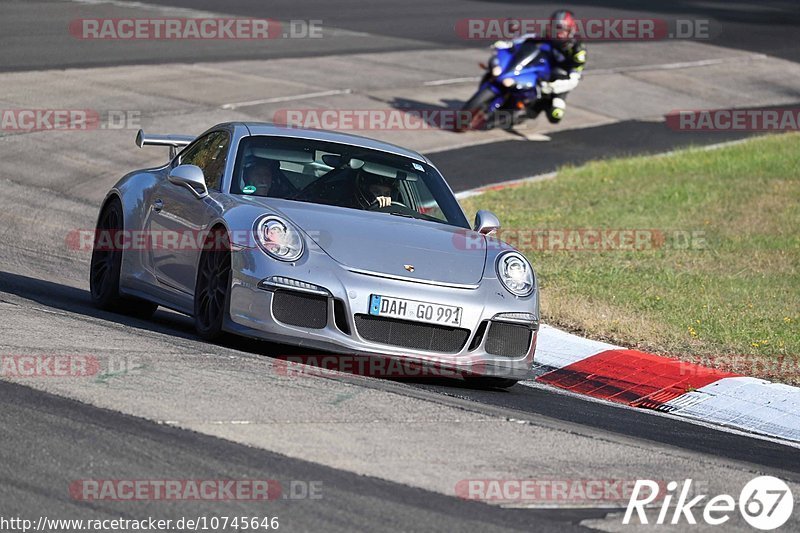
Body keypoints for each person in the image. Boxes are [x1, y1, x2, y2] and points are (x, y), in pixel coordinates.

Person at [493, 9, 586, 124]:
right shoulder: (548, 36)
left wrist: (553, 87)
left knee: (556, 115)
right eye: (554, 29)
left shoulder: (577, 50)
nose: (557, 33)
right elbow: (528, 38)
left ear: (570, 31)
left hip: (560, 80)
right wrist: (509, 44)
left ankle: (532, 109)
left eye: (562, 30)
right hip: (543, 69)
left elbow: (574, 78)